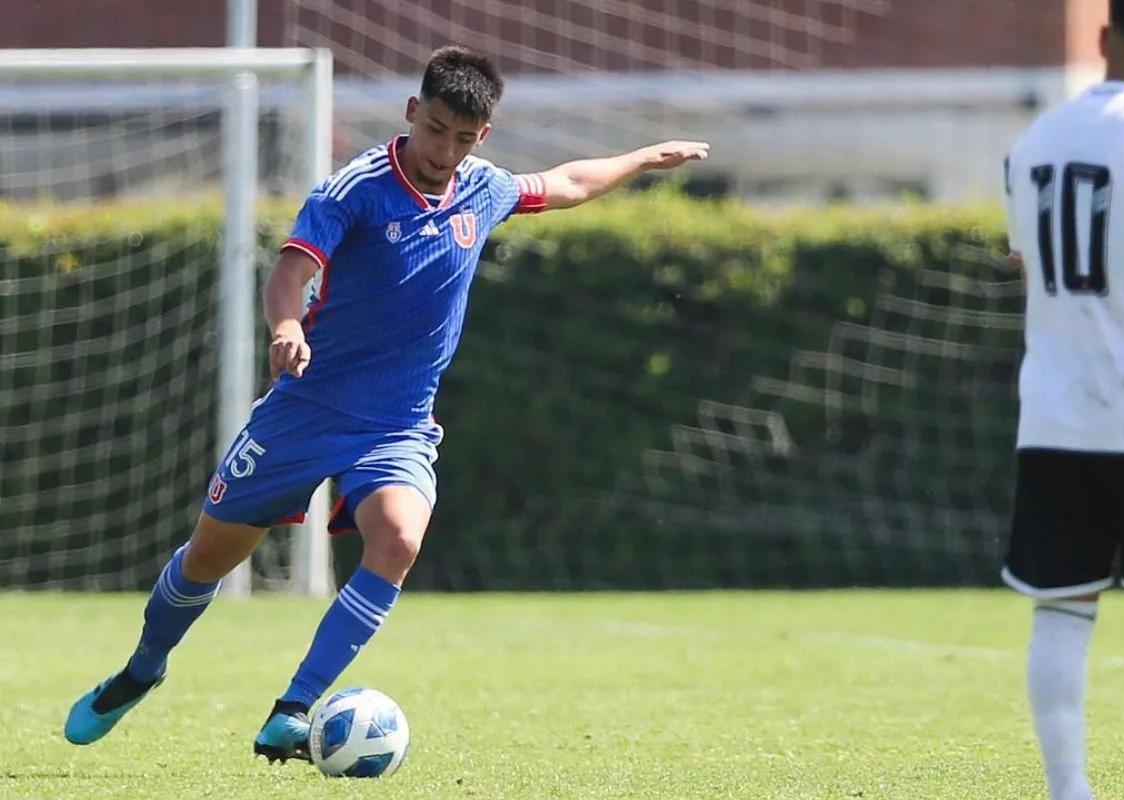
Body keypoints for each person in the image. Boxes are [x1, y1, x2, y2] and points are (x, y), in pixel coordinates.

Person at [63, 45, 709, 762]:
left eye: (464, 138)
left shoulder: (483, 189)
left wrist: (646, 156)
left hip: (397, 427)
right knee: (206, 563)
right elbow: (292, 270)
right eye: (436, 129)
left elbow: (567, 182)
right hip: (303, 412)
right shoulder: (355, 189)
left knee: (399, 540)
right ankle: (142, 669)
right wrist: (284, 327)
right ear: (412, 112)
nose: (445, 150)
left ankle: (294, 707)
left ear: (483, 137)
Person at [1000, 2, 1124, 799]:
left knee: (1060, 607)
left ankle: (1069, 791)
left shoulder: (1031, 143)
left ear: (1100, 38)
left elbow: (1030, 273)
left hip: (1051, 410)